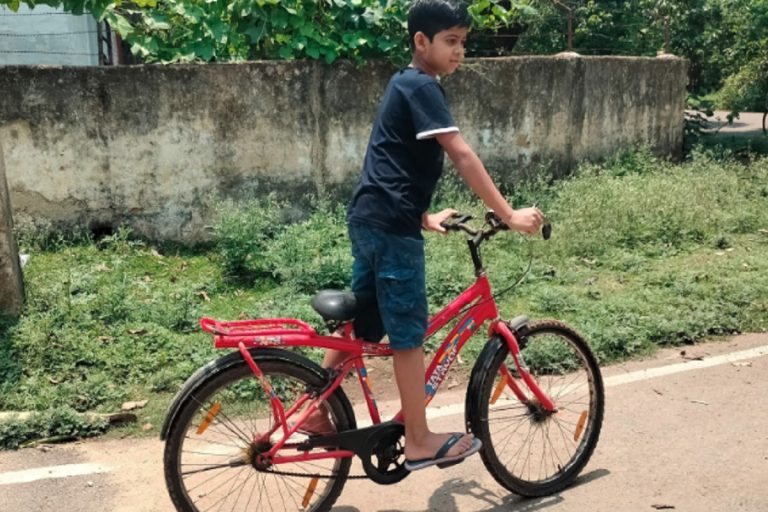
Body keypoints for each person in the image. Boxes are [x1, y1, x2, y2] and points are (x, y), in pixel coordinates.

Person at [307, 0, 545, 471]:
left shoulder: (403, 84)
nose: (459, 52)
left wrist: (423, 214)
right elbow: (461, 154)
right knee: (409, 335)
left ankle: (315, 410)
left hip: (373, 217)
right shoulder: (422, 86)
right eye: (450, 41)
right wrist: (510, 213)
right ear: (422, 42)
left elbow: (391, 161)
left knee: (363, 321)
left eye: (463, 43)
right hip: (390, 229)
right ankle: (417, 439)